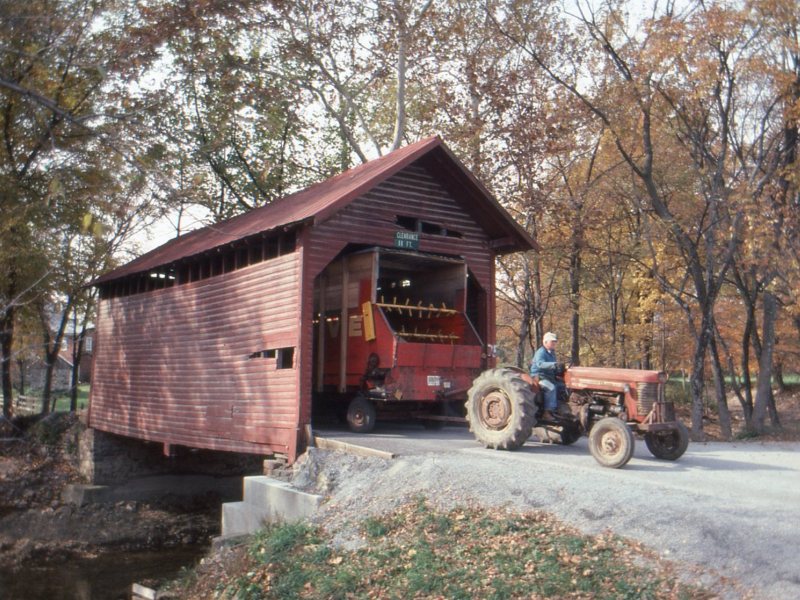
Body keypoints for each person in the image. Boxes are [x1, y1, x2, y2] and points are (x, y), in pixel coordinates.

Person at [530, 332, 567, 421]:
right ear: (545, 342)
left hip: (549, 377)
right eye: (552, 342)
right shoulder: (541, 352)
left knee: (563, 386)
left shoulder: (551, 353)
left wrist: (560, 370)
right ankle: (547, 413)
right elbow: (540, 364)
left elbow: (553, 367)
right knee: (551, 388)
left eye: (555, 342)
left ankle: (560, 409)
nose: (554, 344)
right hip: (539, 377)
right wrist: (555, 365)